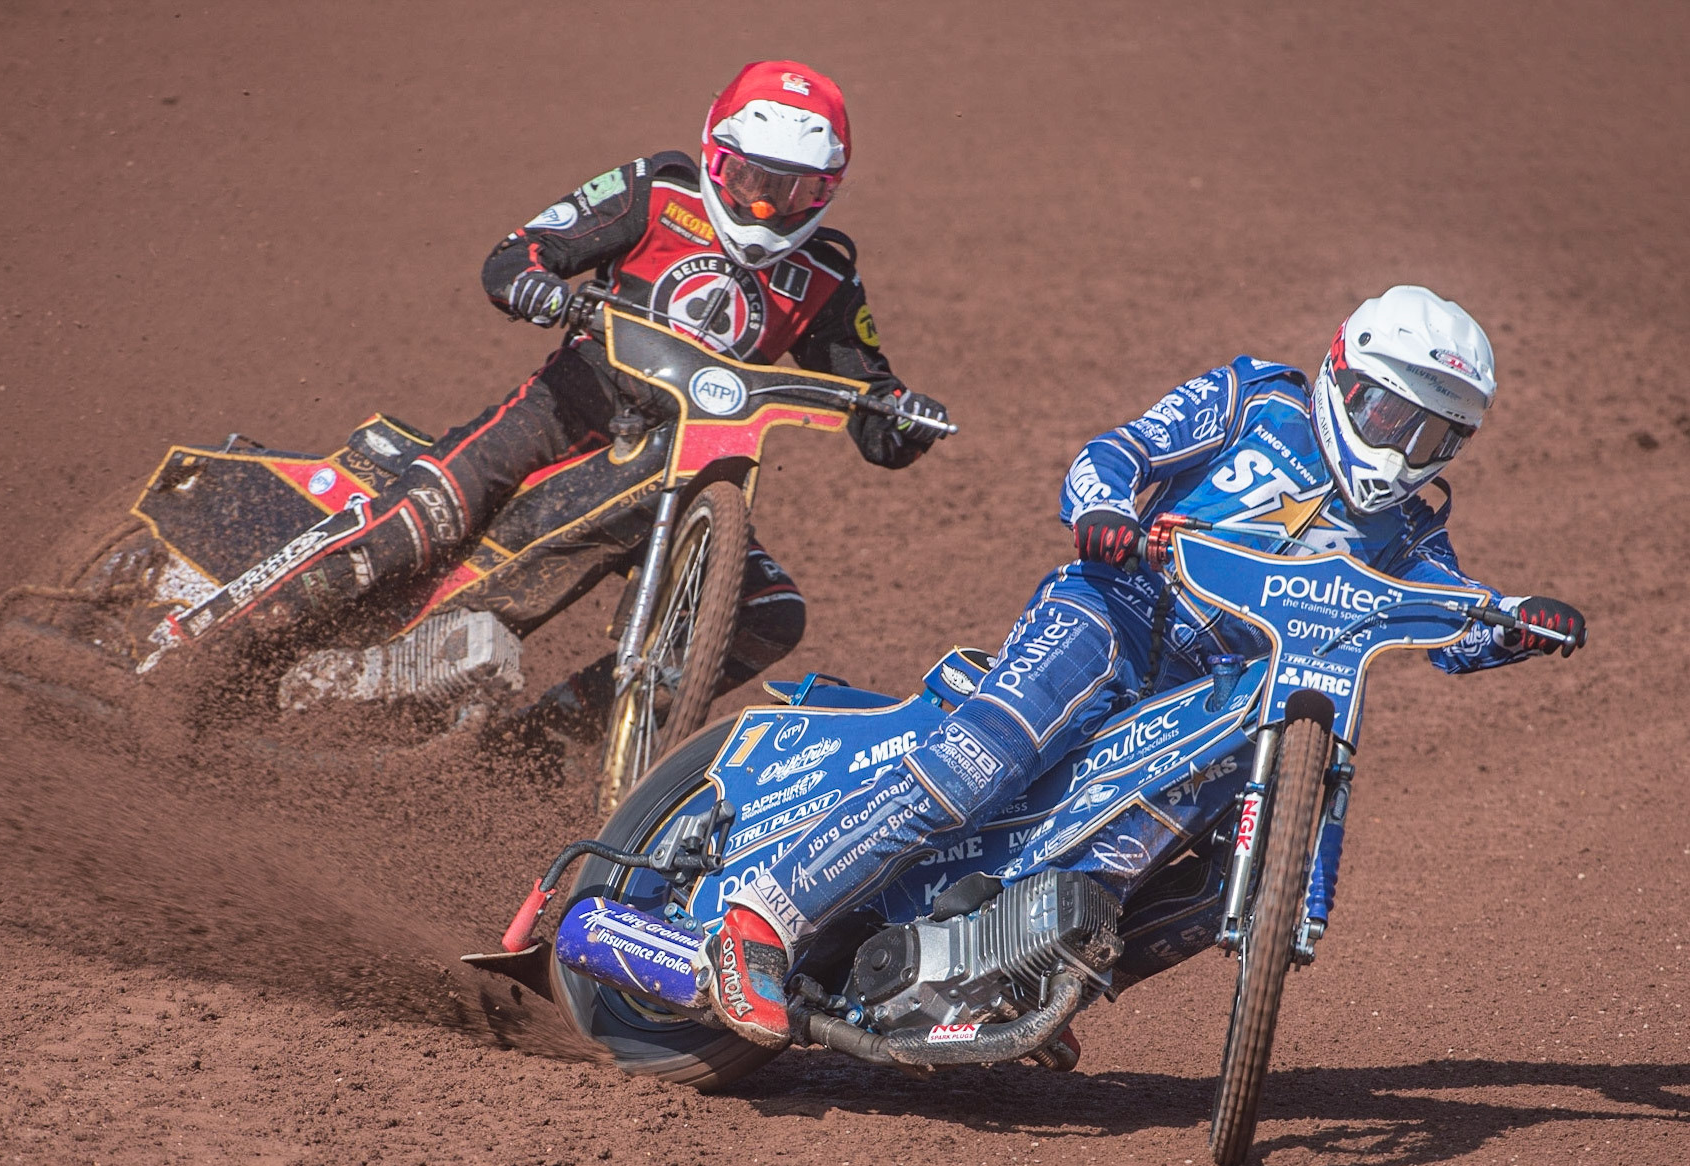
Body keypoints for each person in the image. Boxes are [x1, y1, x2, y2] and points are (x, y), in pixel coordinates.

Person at [707, 285, 1588, 1047]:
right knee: (976, 764)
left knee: (1215, 884)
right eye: (1391, 415)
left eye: (1434, 435)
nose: (1402, 448)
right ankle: (761, 917)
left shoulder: (1412, 530)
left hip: (1229, 693)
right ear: (1341, 378)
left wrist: (1515, 626)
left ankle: (1015, 977)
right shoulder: (1256, 401)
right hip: (1118, 608)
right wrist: (1102, 509)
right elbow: (1117, 452)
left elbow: (1455, 616)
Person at [177, 60, 950, 733]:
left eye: (793, 191)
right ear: (718, 158)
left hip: (690, 474)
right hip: (564, 409)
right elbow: (517, 255)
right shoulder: (657, 192)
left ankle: (542, 746)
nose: (765, 208)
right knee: (418, 522)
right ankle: (206, 652)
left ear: (828, 190)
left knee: (769, 611)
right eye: (752, 182)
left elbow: (871, 402)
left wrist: (903, 420)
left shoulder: (826, 277)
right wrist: (543, 292)